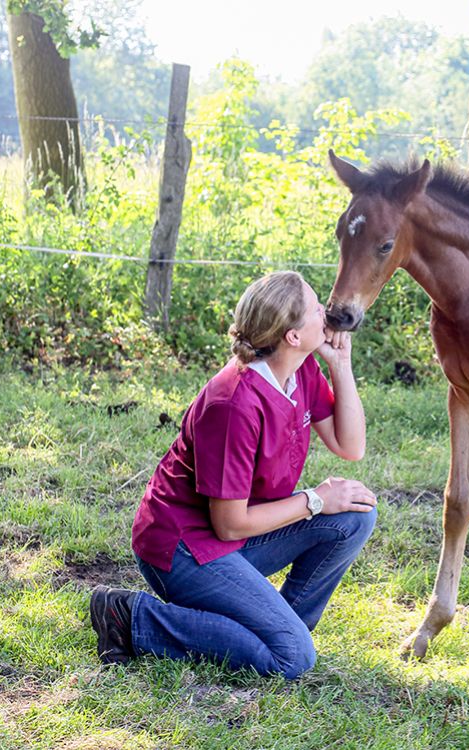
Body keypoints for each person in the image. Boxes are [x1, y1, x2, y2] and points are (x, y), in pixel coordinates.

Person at [89, 271, 377, 678]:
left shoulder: (301, 369)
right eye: (316, 308)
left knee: (354, 515)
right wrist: (315, 500)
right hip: (184, 549)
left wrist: (341, 365)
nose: (325, 313)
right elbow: (229, 525)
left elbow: (351, 446)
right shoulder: (233, 404)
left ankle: (279, 628)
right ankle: (132, 617)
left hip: (240, 536)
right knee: (293, 659)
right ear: (293, 336)